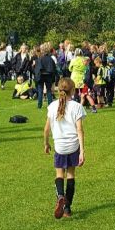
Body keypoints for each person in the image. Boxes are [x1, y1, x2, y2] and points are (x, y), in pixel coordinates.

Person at [43, 78, 86, 219]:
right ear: (73, 91)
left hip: (60, 146)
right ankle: (67, 208)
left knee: (59, 175)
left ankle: (60, 196)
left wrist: (46, 143)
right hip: (73, 146)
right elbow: (80, 130)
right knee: (71, 175)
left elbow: (46, 129)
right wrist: (82, 151)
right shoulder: (77, 106)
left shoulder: (52, 106)